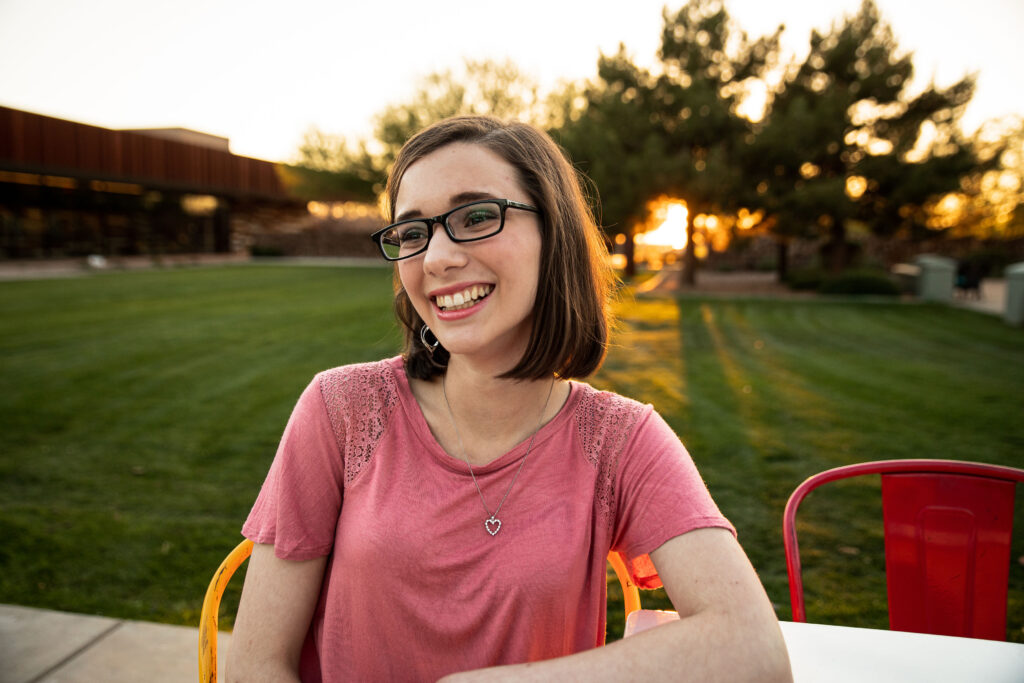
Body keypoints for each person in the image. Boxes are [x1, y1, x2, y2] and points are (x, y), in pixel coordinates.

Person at [229, 116, 792, 682]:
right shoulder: (342, 408)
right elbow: (254, 666)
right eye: (412, 232)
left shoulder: (622, 440)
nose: (436, 259)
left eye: (476, 216)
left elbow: (753, 649)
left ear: (555, 233)